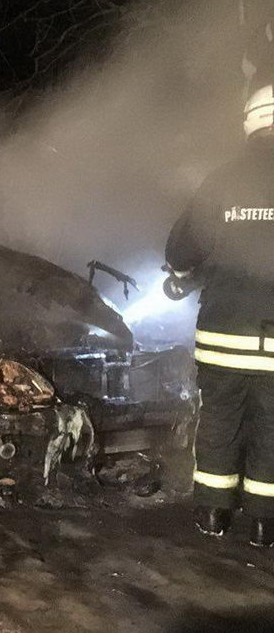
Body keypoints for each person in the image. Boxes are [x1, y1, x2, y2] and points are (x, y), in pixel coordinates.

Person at [166, 84, 274, 547]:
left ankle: (212, 513)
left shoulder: (223, 179)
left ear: (249, 123)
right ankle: (265, 524)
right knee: (272, 426)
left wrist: (180, 276)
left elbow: (182, 249)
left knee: (220, 420)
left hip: (224, 334)